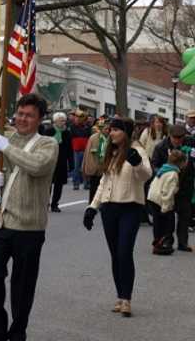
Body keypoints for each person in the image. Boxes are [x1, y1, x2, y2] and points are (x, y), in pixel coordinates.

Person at [0, 93, 59, 341]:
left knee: (22, 286)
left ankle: (17, 332)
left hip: (30, 226)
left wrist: (6, 148)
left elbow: (37, 166)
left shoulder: (47, 144)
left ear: (39, 119)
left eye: (29, 115)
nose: (23, 119)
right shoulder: (6, 137)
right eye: (20, 113)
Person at [83, 117, 151, 317]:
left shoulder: (137, 151)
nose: (111, 133)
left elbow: (146, 175)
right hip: (109, 209)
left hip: (130, 208)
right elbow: (104, 182)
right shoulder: (111, 153)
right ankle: (120, 296)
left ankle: (127, 299)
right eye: (110, 130)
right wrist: (92, 207)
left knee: (124, 252)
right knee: (115, 254)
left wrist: (137, 163)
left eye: (115, 130)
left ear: (126, 132)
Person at [150, 124, 193, 252]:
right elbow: (154, 165)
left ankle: (183, 243)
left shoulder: (190, 143)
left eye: (181, 137)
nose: (179, 140)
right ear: (170, 136)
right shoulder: (161, 147)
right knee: (165, 217)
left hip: (185, 185)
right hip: (167, 187)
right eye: (176, 137)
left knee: (185, 215)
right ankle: (164, 241)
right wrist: (165, 173)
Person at [148, 150, 186, 255]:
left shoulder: (163, 169)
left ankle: (157, 242)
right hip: (161, 200)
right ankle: (163, 244)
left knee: (157, 222)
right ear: (180, 163)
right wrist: (166, 207)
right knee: (169, 225)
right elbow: (167, 192)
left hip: (152, 198)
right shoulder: (173, 174)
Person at [43, 112, 73, 212]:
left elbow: (69, 148)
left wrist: (71, 162)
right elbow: (43, 146)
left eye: (64, 120)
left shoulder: (67, 133)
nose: (63, 122)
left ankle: (55, 204)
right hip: (49, 160)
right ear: (55, 121)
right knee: (47, 184)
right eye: (61, 120)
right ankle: (45, 203)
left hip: (62, 161)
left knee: (59, 184)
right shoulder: (48, 131)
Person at [83, 118, 109, 203]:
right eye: (105, 129)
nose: (107, 131)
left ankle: (101, 203)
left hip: (105, 166)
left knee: (103, 187)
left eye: (108, 129)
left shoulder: (110, 139)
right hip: (95, 166)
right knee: (94, 186)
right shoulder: (93, 138)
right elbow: (87, 153)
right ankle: (92, 203)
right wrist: (87, 166)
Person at [70, 109, 91, 190]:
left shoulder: (87, 127)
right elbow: (76, 134)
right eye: (78, 117)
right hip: (77, 149)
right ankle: (76, 184)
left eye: (81, 117)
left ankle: (86, 183)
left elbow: (87, 135)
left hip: (85, 149)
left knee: (85, 167)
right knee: (76, 167)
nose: (79, 119)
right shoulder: (73, 126)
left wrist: (85, 125)